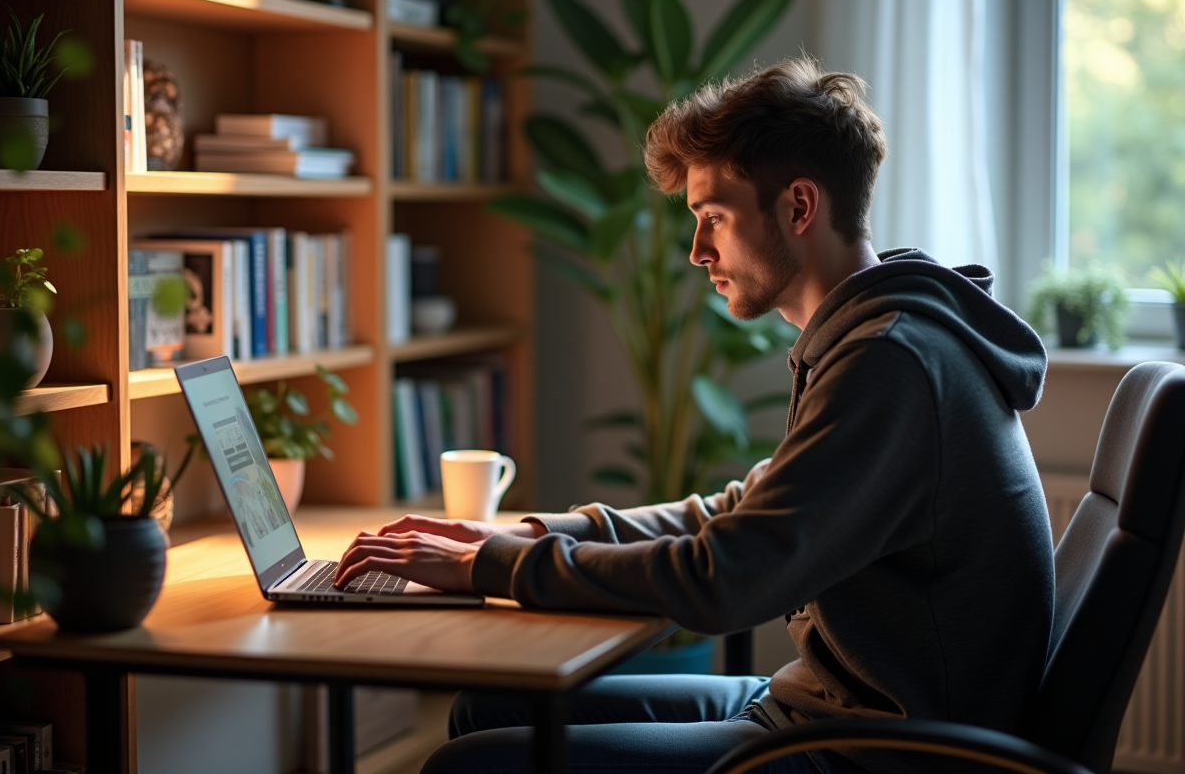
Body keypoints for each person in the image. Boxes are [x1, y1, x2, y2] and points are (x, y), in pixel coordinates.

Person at [335, 57, 1054, 774]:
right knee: (491, 709)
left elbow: (724, 579)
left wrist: (494, 567)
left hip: (880, 753)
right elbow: (737, 513)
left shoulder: (890, 361)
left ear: (799, 207)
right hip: (824, 709)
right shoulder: (875, 336)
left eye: (714, 218)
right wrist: (522, 536)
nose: (697, 251)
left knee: (471, 765)